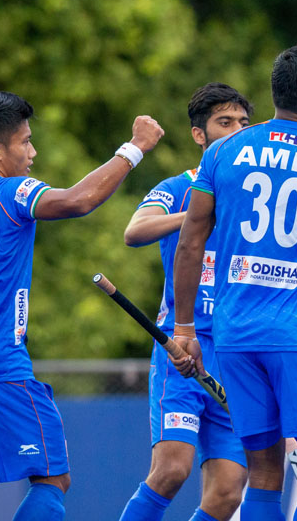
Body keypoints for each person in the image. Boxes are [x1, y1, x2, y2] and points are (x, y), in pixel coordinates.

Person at [171, 44, 297, 521]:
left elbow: (190, 244)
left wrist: (184, 330)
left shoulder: (224, 151)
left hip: (233, 335)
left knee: (264, 474)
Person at [0, 91, 163, 521]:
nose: (33, 151)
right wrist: (134, 148)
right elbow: (77, 200)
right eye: (25, 142)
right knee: (52, 480)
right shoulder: (7, 191)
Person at [119, 83, 252, 521]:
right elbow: (135, 231)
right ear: (200, 135)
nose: (236, 132)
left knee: (227, 494)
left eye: (243, 124)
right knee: (172, 469)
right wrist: (198, 214)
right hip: (182, 345)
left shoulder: (257, 192)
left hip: (238, 352)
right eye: (224, 123)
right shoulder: (180, 186)